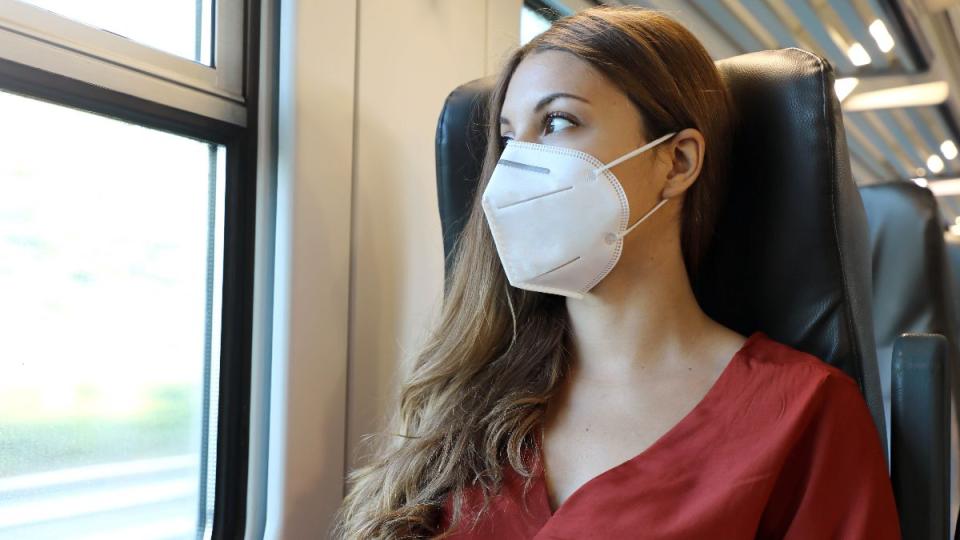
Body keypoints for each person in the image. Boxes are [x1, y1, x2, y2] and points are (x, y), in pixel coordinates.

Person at [333, 6, 900, 539]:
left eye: (557, 122)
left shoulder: (805, 414)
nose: (513, 169)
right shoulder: (469, 394)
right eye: (508, 137)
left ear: (676, 162)